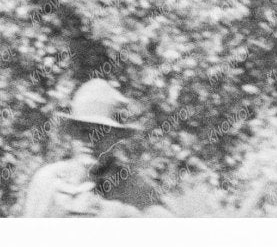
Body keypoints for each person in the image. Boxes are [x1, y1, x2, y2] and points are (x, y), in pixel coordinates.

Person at [20, 79, 170, 217]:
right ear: (72, 134)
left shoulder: (135, 189)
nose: (91, 140)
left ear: (117, 137)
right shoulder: (48, 181)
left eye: (102, 133)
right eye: (84, 131)